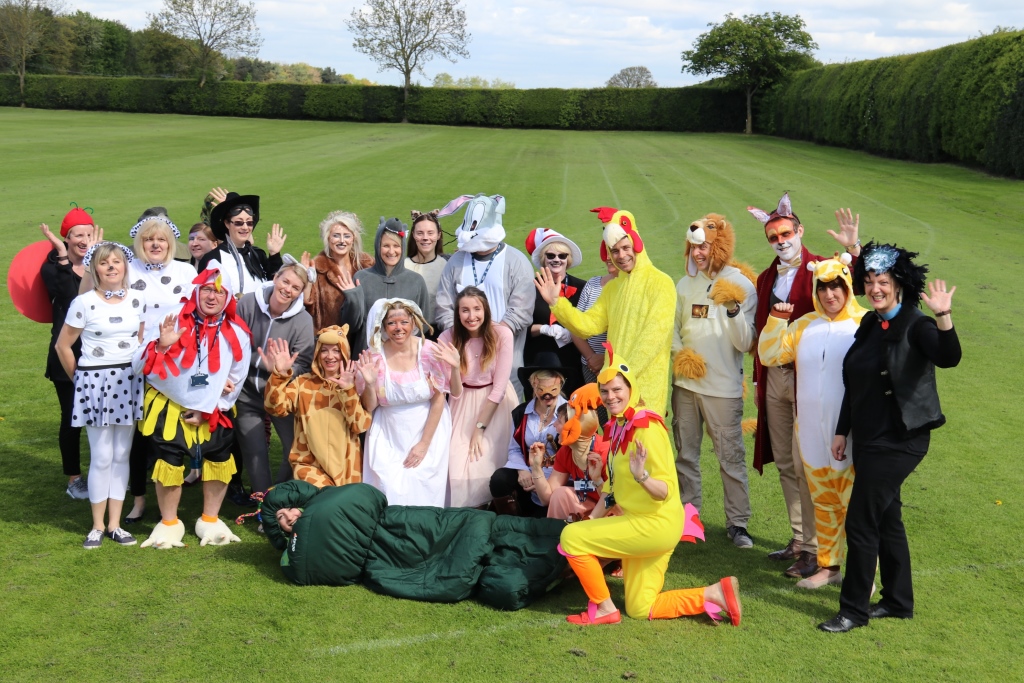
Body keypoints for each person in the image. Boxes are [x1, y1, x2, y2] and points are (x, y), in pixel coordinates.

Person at [818, 243, 960, 633]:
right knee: (887, 517)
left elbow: (949, 357)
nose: (875, 288)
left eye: (882, 281)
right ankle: (898, 601)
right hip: (867, 439)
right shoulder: (870, 323)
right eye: (869, 281)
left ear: (898, 284)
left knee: (861, 520)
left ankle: (853, 610)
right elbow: (855, 383)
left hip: (900, 440)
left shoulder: (918, 325)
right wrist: (842, 430)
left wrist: (943, 315)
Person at [558, 346, 742, 625]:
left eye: (617, 389)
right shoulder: (619, 426)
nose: (610, 396)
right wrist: (597, 483)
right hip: (643, 525)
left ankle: (605, 609)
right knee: (640, 607)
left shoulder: (646, 427)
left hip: (654, 525)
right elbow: (613, 493)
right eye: (605, 391)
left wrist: (642, 476)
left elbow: (665, 492)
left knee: (571, 537)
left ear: (631, 388)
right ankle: (715, 594)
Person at [748, 193, 861, 577]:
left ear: (800, 232)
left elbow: (853, 287)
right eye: (773, 237)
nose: (781, 241)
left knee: (806, 464)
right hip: (773, 376)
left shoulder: (820, 268)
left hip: (809, 380)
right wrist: (759, 382)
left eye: (786, 234)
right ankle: (799, 539)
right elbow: (761, 332)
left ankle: (816, 548)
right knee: (784, 462)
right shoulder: (765, 278)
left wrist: (853, 249)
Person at [261, 480, 568, 611]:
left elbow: (368, 495)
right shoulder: (299, 549)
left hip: (404, 522)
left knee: (476, 525)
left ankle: (564, 537)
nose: (290, 518)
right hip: (386, 560)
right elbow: (316, 567)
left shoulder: (328, 499)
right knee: (482, 568)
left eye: (288, 510)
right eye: (282, 520)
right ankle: (560, 561)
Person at [135, 265, 251, 549]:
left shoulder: (238, 331)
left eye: (219, 292)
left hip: (213, 411)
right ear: (197, 291)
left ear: (228, 297)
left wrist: (210, 408)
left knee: (219, 460)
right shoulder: (171, 318)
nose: (212, 297)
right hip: (169, 405)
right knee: (169, 462)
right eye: (207, 290)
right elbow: (138, 364)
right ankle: (169, 523)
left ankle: (210, 519)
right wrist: (161, 346)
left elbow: (237, 378)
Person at [535, 206, 675, 414]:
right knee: (614, 435)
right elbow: (587, 325)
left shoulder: (661, 283)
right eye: (615, 251)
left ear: (637, 244)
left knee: (644, 436)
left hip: (643, 388)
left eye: (626, 248)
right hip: (615, 390)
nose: (621, 255)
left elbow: (653, 339)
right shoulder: (612, 288)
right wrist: (558, 303)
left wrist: (622, 378)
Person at [671, 214, 757, 549]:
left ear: (718, 246)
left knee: (730, 458)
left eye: (704, 247)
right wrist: (681, 355)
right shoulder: (684, 284)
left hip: (723, 388)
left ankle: (738, 524)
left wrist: (733, 309)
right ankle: (689, 518)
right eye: (693, 247)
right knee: (685, 455)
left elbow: (745, 343)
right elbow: (673, 330)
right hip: (685, 386)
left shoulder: (741, 284)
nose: (698, 253)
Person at [54, 242, 145, 549]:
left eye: (116, 262)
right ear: (95, 269)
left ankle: (115, 525)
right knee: (102, 456)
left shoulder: (137, 299)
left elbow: (139, 342)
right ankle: (97, 526)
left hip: (129, 382)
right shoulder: (83, 302)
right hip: (95, 383)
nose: (111, 267)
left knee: (121, 454)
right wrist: (80, 380)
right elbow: (63, 346)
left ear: (125, 266)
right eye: (104, 263)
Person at [122, 211, 199, 521]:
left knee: (173, 430)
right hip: (139, 361)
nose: (155, 244)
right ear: (140, 243)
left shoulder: (185, 271)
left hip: (177, 363)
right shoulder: (128, 270)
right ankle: (139, 499)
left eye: (161, 239)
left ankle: (174, 499)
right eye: (149, 239)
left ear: (170, 243)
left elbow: (196, 314)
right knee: (139, 436)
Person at [354, 299, 454, 506]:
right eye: (391, 323)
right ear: (383, 327)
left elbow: (438, 400)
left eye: (404, 322)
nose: (398, 328)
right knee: (389, 489)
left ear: (413, 323)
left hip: (428, 428)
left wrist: (424, 444)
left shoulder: (429, 351)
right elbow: (369, 406)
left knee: (423, 488)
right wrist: (370, 384)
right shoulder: (374, 356)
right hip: (388, 432)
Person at [434, 194, 535, 397]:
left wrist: (493, 338)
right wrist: (461, 336)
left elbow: (521, 310)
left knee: (503, 406)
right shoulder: (455, 262)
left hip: (506, 358)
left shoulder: (516, 262)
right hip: (464, 361)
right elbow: (444, 306)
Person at [236, 259, 316, 496]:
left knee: (295, 448)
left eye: (296, 287)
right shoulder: (248, 303)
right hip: (246, 393)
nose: (287, 289)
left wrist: (282, 371)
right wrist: (261, 363)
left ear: (300, 293)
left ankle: (279, 496)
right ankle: (263, 501)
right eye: (285, 281)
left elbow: (304, 364)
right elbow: (233, 345)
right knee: (255, 452)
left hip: (282, 394)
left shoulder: (303, 320)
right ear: (275, 278)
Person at [261, 326, 372, 488]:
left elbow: (360, 425)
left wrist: (348, 391)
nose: (330, 356)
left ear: (344, 353)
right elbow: (275, 407)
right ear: (317, 354)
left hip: (347, 470)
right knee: (323, 498)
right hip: (308, 466)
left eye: (336, 350)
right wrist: (279, 375)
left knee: (340, 503)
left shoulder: (354, 383)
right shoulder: (303, 383)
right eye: (324, 350)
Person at [437, 287, 518, 507]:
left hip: (495, 404)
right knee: (456, 465)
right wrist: (455, 367)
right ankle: (464, 516)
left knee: (482, 463)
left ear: (486, 310)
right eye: (465, 310)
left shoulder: (502, 334)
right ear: (457, 313)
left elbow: (499, 388)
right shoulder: (447, 337)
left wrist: (479, 429)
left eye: (476, 309)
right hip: (462, 402)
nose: (471, 316)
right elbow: (454, 392)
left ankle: (492, 511)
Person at [39, 206, 95, 499]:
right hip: (67, 355)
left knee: (104, 420)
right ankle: (74, 479)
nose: (84, 240)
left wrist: (95, 258)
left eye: (88, 234)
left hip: (101, 354)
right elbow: (71, 298)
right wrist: (62, 255)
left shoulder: (101, 261)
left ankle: (105, 473)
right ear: (66, 238)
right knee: (73, 418)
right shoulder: (52, 267)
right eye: (77, 235)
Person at [488, 360, 569, 516]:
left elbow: (573, 454)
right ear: (533, 385)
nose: (547, 395)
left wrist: (543, 480)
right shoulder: (521, 413)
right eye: (541, 389)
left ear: (561, 384)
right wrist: (522, 470)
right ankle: (510, 521)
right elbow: (514, 449)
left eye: (553, 389)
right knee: (500, 479)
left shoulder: (570, 412)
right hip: (527, 476)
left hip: (558, 477)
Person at [342, 217, 430, 357]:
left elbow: (423, 325)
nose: (391, 251)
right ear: (378, 246)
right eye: (386, 246)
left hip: (403, 358)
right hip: (367, 358)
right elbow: (350, 326)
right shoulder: (362, 278)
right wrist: (353, 298)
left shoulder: (416, 281)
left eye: (396, 246)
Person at [528, 384, 610, 521]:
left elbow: (617, 502)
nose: (554, 425)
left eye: (559, 421)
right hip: (588, 505)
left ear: (576, 428)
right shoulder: (566, 451)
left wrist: (597, 480)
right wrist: (536, 467)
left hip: (614, 512)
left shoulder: (606, 452)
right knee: (560, 494)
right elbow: (547, 498)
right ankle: (557, 533)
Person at [523, 228, 587, 397]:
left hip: (573, 362)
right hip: (538, 361)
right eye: (550, 255)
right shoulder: (529, 288)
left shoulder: (583, 287)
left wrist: (573, 332)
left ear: (568, 259)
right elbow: (520, 327)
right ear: (543, 259)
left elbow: (592, 323)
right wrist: (544, 329)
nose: (556, 259)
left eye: (562, 256)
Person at [184, 221, 221, 484]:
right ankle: (194, 465)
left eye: (201, 239)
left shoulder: (216, 271)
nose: (195, 243)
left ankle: (205, 465)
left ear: (214, 244)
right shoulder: (185, 269)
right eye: (191, 238)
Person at [302, 210, 374, 341]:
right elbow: (307, 306)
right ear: (328, 238)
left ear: (353, 238)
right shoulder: (317, 267)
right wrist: (307, 280)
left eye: (346, 236)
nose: (342, 241)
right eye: (336, 236)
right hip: (330, 344)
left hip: (360, 342)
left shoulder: (368, 265)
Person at [198, 191, 286, 297]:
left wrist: (274, 255)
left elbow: (275, 285)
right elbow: (203, 295)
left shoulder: (258, 254)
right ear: (227, 223)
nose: (245, 227)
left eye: (249, 223)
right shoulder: (213, 259)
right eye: (239, 223)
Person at [404, 210, 450, 331]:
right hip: (409, 333)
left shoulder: (447, 266)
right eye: (420, 233)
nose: (425, 238)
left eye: (430, 233)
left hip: (441, 332)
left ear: (438, 235)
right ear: (413, 235)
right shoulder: (403, 266)